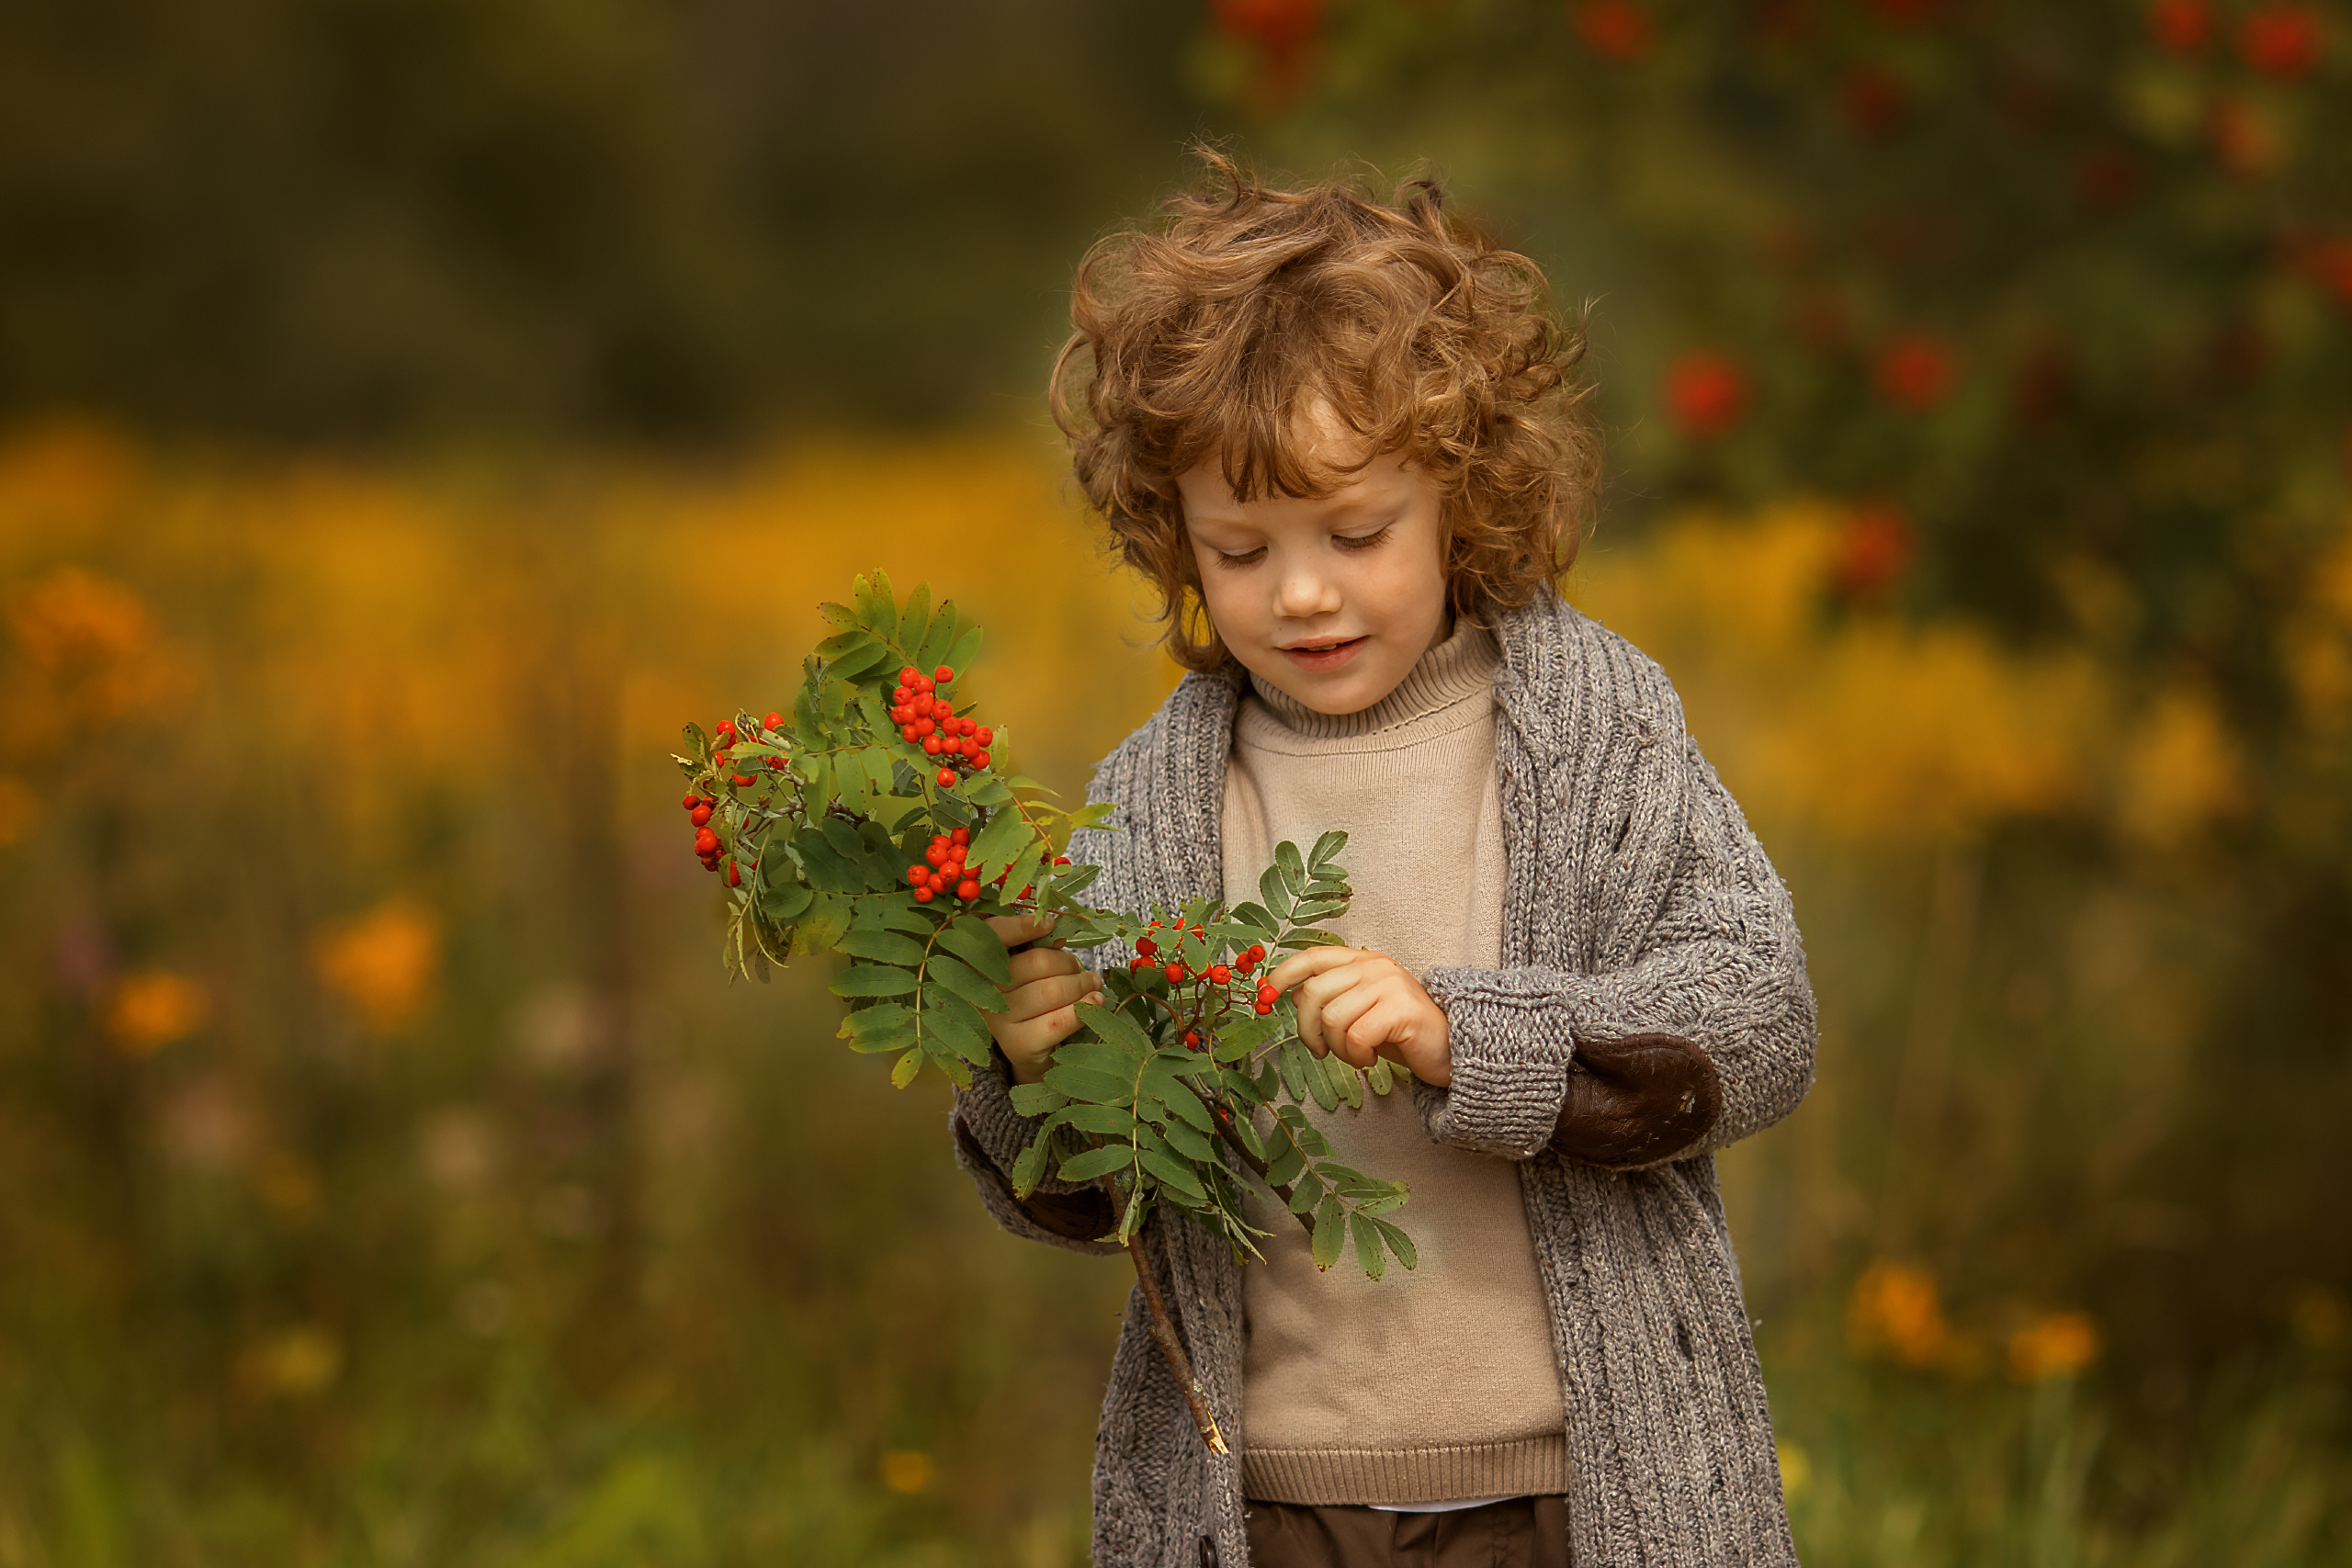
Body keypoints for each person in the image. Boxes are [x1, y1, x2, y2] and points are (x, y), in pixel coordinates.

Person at [949, 152, 1817, 1568]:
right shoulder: (1155, 799)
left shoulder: (1595, 724)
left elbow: (1760, 1017)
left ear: (1459, 498)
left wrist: (1464, 1034)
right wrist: (1037, 1066)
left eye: (1357, 532)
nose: (1301, 592)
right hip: (1264, 1503)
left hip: (1580, 1498)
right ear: (1174, 541)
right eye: (1239, 550)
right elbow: (1098, 1196)